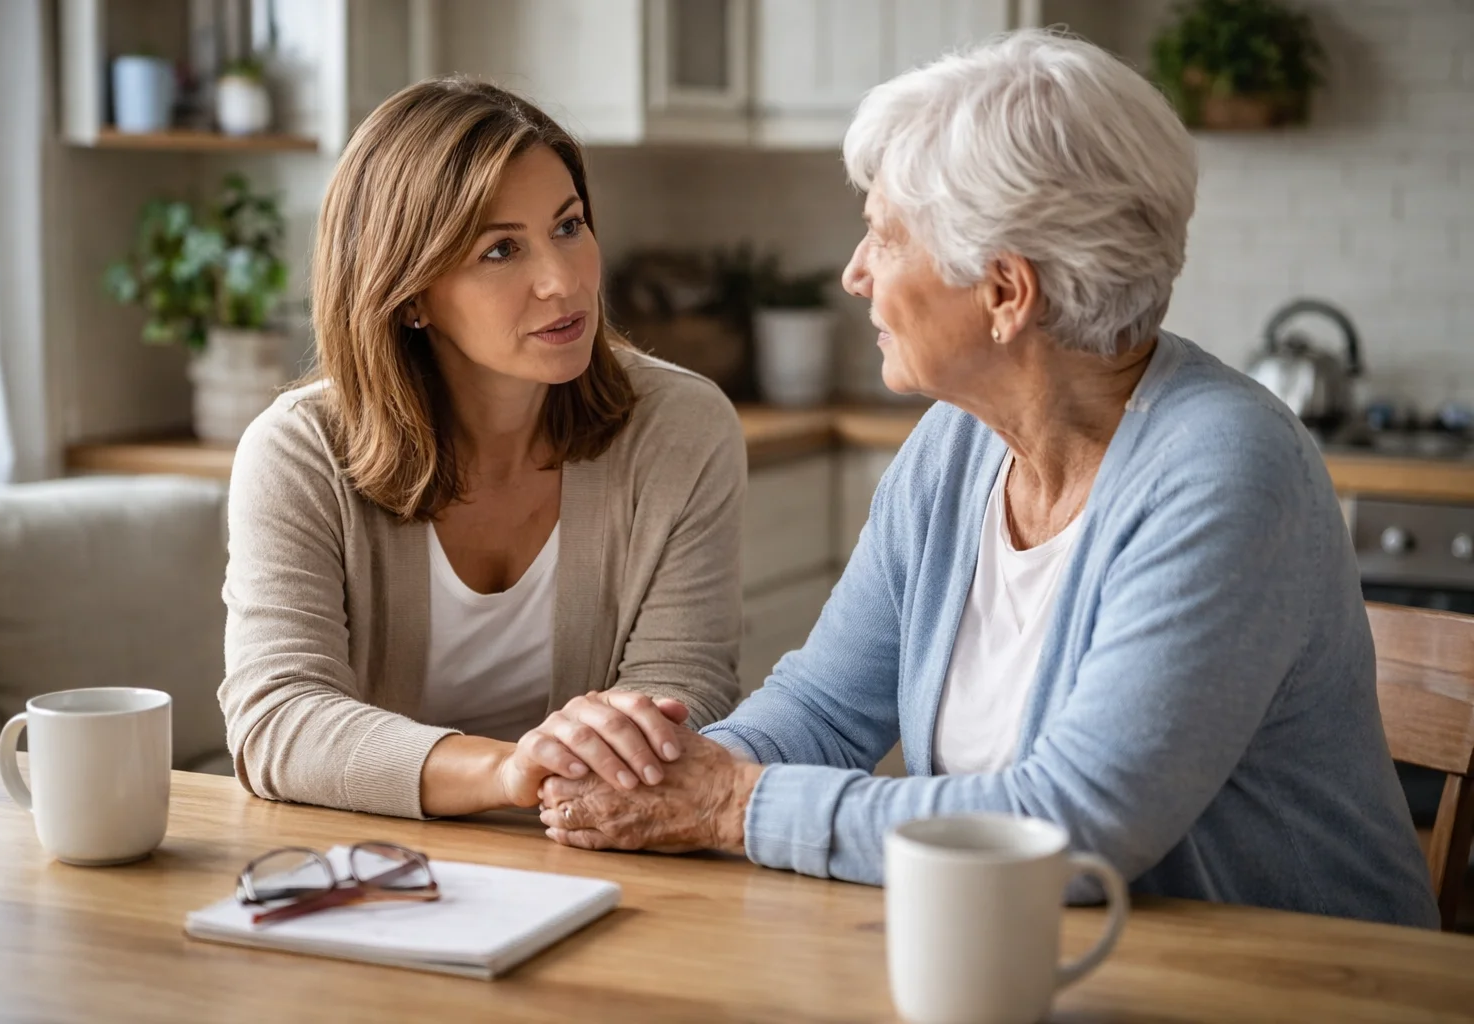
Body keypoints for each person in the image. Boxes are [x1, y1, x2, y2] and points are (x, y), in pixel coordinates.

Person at [537, 30, 1440, 928]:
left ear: (1006, 293)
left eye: (883, 239)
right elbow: (823, 705)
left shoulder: (1226, 472)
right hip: (1028, 959)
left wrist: (730, 806)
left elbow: (1073, 827)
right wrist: (651, 771)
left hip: (1300, 983)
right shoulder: (955, 447)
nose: (854, 274)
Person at [220, 78, 744, 820]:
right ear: (407, 294)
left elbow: (681, 698)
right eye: (501, 250)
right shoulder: (298, 452)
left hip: (609, 851)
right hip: (372, 870)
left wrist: (557, 774)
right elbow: (277, 720)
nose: (562, 282)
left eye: (568, 226)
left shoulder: (683, 429)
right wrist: (509, 772)